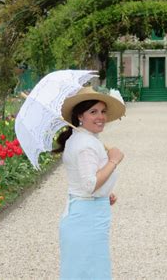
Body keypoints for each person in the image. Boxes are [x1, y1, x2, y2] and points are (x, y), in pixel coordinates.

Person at [53, 86, 126, 280]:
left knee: (86, 271)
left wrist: (104, 193)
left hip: (85, 212)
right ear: (80, 116)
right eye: (93, 112)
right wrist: (113, 160)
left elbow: (87, 182)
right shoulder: (86, 144)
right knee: (90, 273)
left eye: (103, 111)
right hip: (86, 219)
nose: (100, 116)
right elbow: (89, 184)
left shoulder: (83, 139)